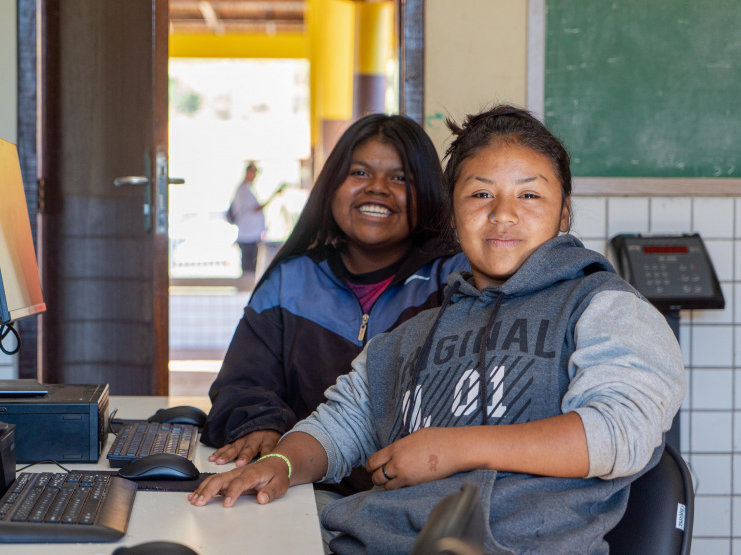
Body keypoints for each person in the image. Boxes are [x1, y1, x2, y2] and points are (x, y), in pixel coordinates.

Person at [190, 105, 685, 555]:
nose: (503, 212)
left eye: (529, 194)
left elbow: (621, 431)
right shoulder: (416, 331)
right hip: (367, 540)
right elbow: (339, 426)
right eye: (480, 193)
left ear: (564, 211)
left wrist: (452, 448)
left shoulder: (603, 306)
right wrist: (283, 465)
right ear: (452, 211)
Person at [203, 113, 468, 496]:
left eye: (399, 178)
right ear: (331, 187)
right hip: (304, 490)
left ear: (427, 192)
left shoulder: (455, 281)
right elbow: (242, 382)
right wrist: (261, 422)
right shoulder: (289, 281)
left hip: (416, 500)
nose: (377, 189)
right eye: (359, 173)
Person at [228, 162, 282, 274]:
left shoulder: (247, 189)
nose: (255, 176)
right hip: (248, 235)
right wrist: (274, 195)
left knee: (252, 268)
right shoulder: (243, 190)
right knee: (249, 270)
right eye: (254, 173)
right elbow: (256, 208)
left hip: (251, 235)